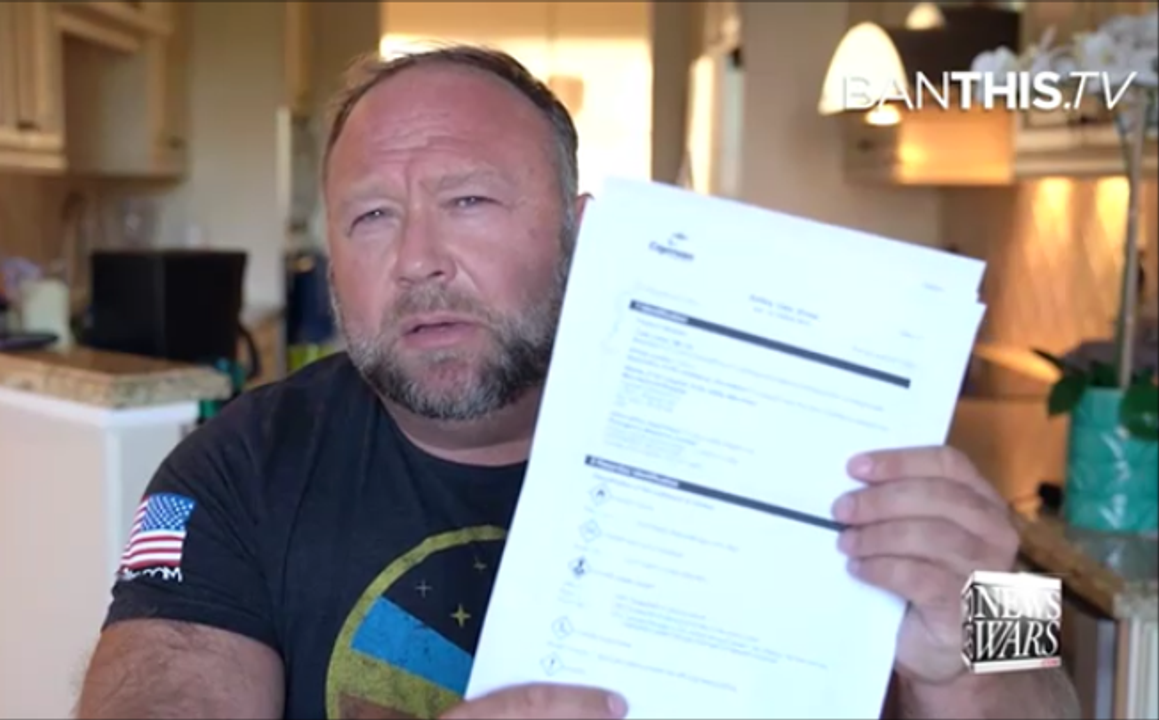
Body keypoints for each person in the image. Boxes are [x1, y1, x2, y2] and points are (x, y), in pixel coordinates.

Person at [74, 45, 1080, 720]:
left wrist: (984, 647)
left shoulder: (840, 436)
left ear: (584, 231)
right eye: (371, 217)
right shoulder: (233, 468)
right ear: (331, 261)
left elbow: (1050, 696)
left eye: (469, 200)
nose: (417, 259)